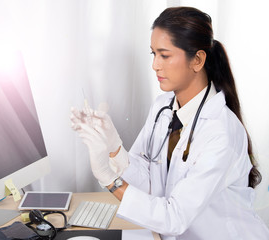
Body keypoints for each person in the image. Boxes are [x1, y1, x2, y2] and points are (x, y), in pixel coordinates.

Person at [70, 7, 269, 240]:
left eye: (164, 55)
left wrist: (109, 179)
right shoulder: (163, 107)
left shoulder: (220, 132)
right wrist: (113, 148)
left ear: (197, 60)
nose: (155, 65)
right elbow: (153, 184)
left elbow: (174, 216)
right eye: (153, 54)